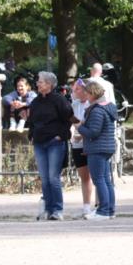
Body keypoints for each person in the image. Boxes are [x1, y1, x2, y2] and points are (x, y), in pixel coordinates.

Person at [27, 71, 74, 221]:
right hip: (39, 143)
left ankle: (58, 210)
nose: (38, 84)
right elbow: (32, 122)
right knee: (45, 178)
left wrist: (61, 135)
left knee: (54, 178)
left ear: (48, 84)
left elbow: (69, 118)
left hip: (55, 142)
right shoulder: (35, 102)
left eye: (40, 81)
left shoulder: (59, 100)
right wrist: (31, 136)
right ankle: (47, 209)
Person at [77, 80, 117, 219]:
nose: (85, 96)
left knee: (99, 180)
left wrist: (79, 127)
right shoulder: (107, 108)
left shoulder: (97, 110)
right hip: (105, 147)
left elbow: (93, 132)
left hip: (97, 148)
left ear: (93, 94)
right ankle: (110, 210)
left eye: (87, 93)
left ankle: (103, 211)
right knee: (105, 180)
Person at [69, 79, 94, 217]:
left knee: (96, 176)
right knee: (84, 176)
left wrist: (82, 134)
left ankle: (100, 206)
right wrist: (72, 133)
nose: (74, 92)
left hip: (90, 143)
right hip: (77, 144)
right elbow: (72, 123)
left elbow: (91, 125)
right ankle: (86, 207)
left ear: (85, 90)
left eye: (76, 89)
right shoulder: (74, 105)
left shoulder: (92, 105)